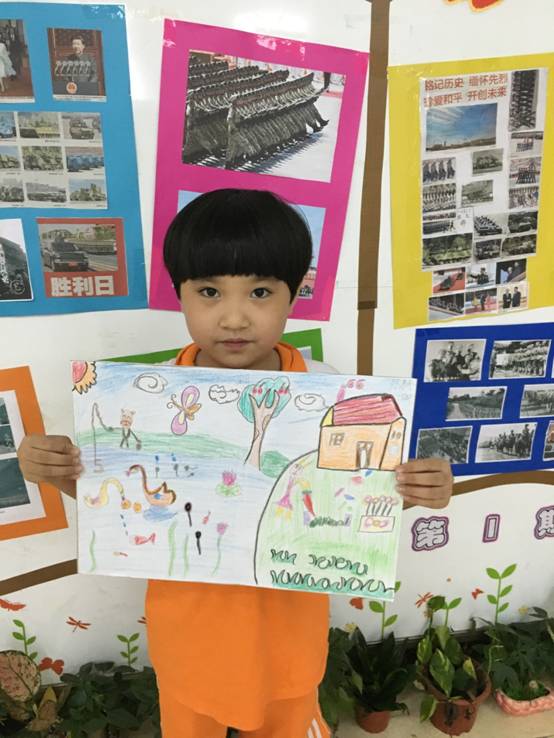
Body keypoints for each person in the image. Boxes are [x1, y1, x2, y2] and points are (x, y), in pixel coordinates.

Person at [17, 189, 454, 738]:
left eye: (261, 291)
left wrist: (417, 488)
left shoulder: (330, 394)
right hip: (189, 643)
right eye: (209, 291)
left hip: (288, 644)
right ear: (179, 294)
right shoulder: (147, 399)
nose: (233, 317)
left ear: (294, 294)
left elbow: (356, 500)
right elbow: (122, 505)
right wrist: (58, 470)